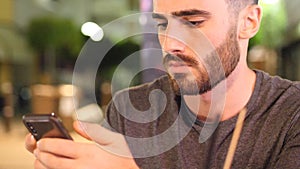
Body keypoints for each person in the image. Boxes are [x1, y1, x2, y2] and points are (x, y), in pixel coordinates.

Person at [25, 0, 300, 168]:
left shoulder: (290, 115)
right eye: (162, 25)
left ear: (248, 22)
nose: (170, 44)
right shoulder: (130, 110)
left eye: (192, 22)